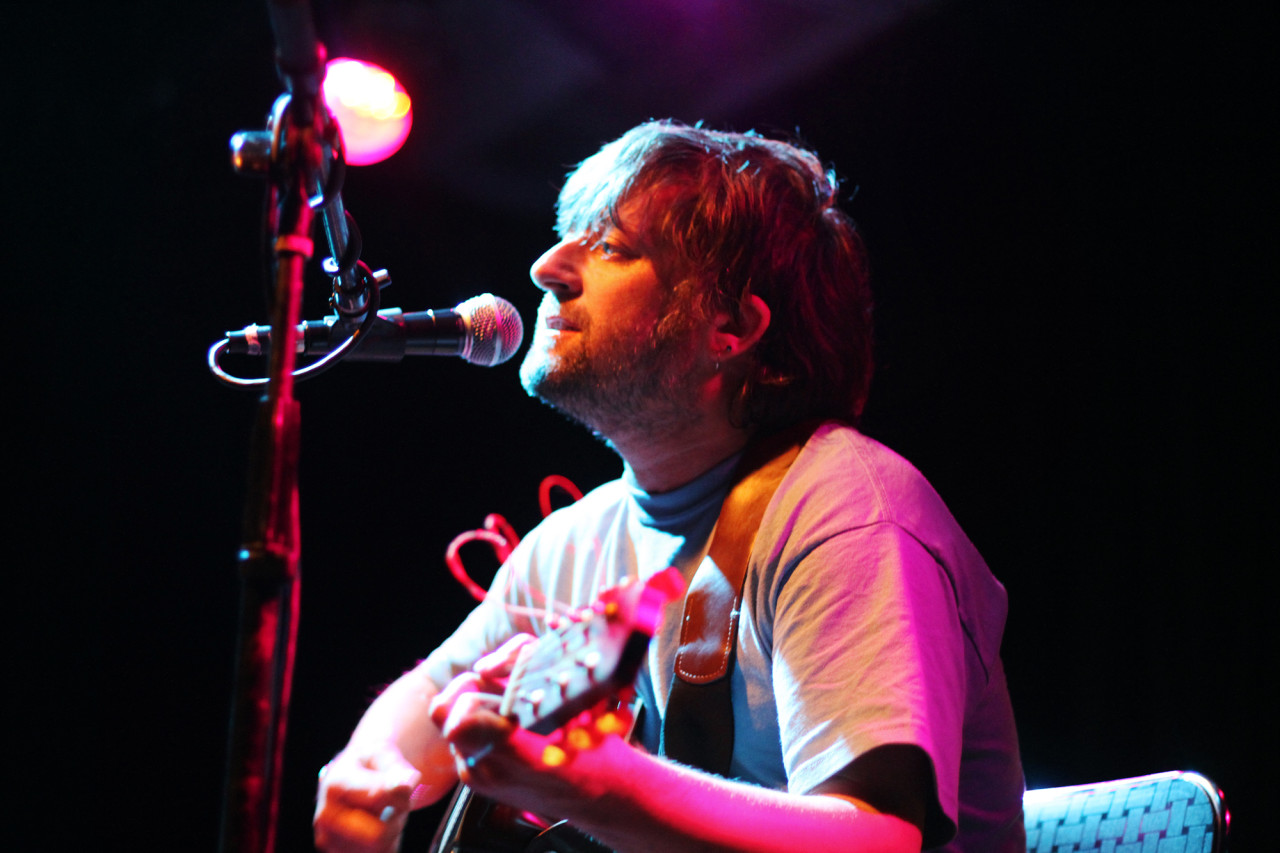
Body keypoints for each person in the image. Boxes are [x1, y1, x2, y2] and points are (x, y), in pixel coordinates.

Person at [313, 120, 1025, 853]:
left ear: (732, 327)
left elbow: (876, 840)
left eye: (611, 247)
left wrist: (595, 786)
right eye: (566, 235)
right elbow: (432, 696)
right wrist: (369, 771)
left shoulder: (849, 513)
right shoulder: (573, 544)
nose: (545, 267)